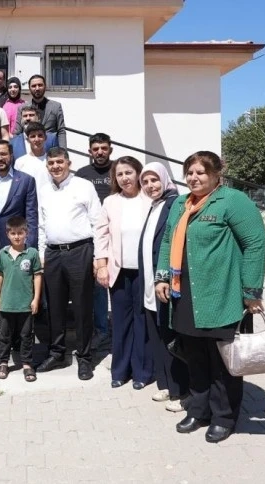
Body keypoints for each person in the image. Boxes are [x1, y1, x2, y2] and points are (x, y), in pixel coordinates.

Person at [156, 151, 265, 443]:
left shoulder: (232, 201)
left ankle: (223, 417)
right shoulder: (181, 203)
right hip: (185, 295)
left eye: (200, 172)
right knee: (194, 357)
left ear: (217, 173)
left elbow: (255, 243)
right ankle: (198, 409)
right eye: (189, 172)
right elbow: (168, 240)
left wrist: (251, 291)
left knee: (223, 362)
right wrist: (162, 276)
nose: (193, 178)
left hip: (222, 295)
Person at [37, 148, 101, 380]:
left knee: (82, 307)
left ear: (68, 163)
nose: (55, 166)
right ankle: (57, 353)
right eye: (51, 163)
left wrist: (98, 257)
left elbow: (97, 223)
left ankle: (84, 358)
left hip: (79, 251)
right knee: (55, 306)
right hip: (53, 254)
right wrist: (42, 254)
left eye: (59, 162)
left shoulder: (84, 186)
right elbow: (42, 225)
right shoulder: (44, 190)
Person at [94, 157, 152, 389]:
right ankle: (120, 370)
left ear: (138, 173)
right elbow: (101, 236)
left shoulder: (150, 199)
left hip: (145, 272)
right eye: (120, 174)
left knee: (142, 321)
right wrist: (101, 265)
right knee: (120, 322)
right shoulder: (110, 202)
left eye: (129, 172)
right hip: (118, 271)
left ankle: (142, 372)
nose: (125, 178)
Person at [138, 162, 189, 412]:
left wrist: (166, 278)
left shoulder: (174, 204)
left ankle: (182, 390)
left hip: (166, 284)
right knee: (158, 336)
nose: (150, 186)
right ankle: (166, 384)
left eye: (154, 180)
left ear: (164, 179)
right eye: (145, 182)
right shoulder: (153, 205)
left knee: (172, 339)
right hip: (151, 284)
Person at [76, 133, 115, 352]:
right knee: (98, 284)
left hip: (116, 234)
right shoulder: (82, 174)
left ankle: (115, 327)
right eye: (96, 149)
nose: (100, 152)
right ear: (89, 151)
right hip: (91, 236)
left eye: (104, 148)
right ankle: (100, 330)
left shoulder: (118, 170)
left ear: (110, 149)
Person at [0, 216, 43, 382]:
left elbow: (37, 276)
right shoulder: (3, 253)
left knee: (26, 335)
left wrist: (36, 299)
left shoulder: (32, 253)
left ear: (26, 233)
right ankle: (3, 363)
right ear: (7, 234)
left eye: (20, 233)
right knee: (5, 335)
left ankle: (27, 364)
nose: (17, 237)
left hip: (25, 304)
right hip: (7, 303)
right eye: (13, 233)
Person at [14, 75, 67, 148]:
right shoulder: (22, 108)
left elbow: (61, 130)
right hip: (29, 149)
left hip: (50, 149)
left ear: (45, 86)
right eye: (34, 86)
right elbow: (17, 132)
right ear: (29, 88)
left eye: (40, 85)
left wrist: (63, 150)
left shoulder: (56, 106)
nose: (37, 88)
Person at [14, 121, 51, 188]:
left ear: (45, 138)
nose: (37, 139)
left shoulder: (51, 161)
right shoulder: (20, 162)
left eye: (40, 135)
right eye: (33, 136)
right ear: (28, 140)